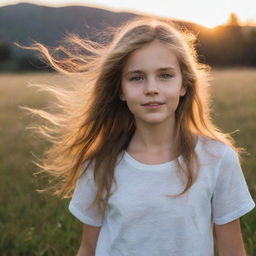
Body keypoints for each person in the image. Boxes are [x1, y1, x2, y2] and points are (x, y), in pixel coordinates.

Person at [19, 16, 255, 256]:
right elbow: (88, 248)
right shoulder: (100, 162)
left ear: (184, 84)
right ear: (120, 90)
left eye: (165, 75)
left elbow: (232, 250)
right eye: (136, 77)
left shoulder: (216, 157)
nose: (151, 88)